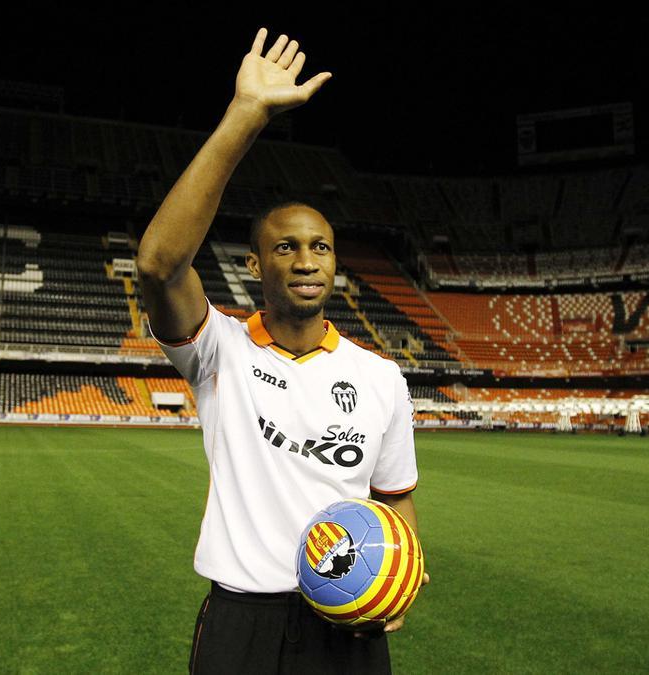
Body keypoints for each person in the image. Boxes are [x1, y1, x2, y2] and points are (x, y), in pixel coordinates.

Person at [136, 27, 428, 674]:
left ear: (335, 265)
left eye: (320, 247)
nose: (305, 260)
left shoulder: (381, 377)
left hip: (350, 619)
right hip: (243, 621)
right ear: (255, 264)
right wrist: (247, 113)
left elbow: (394, 495)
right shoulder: (219, 349)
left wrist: (404, 567)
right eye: (286, 247)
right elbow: (158, 264)